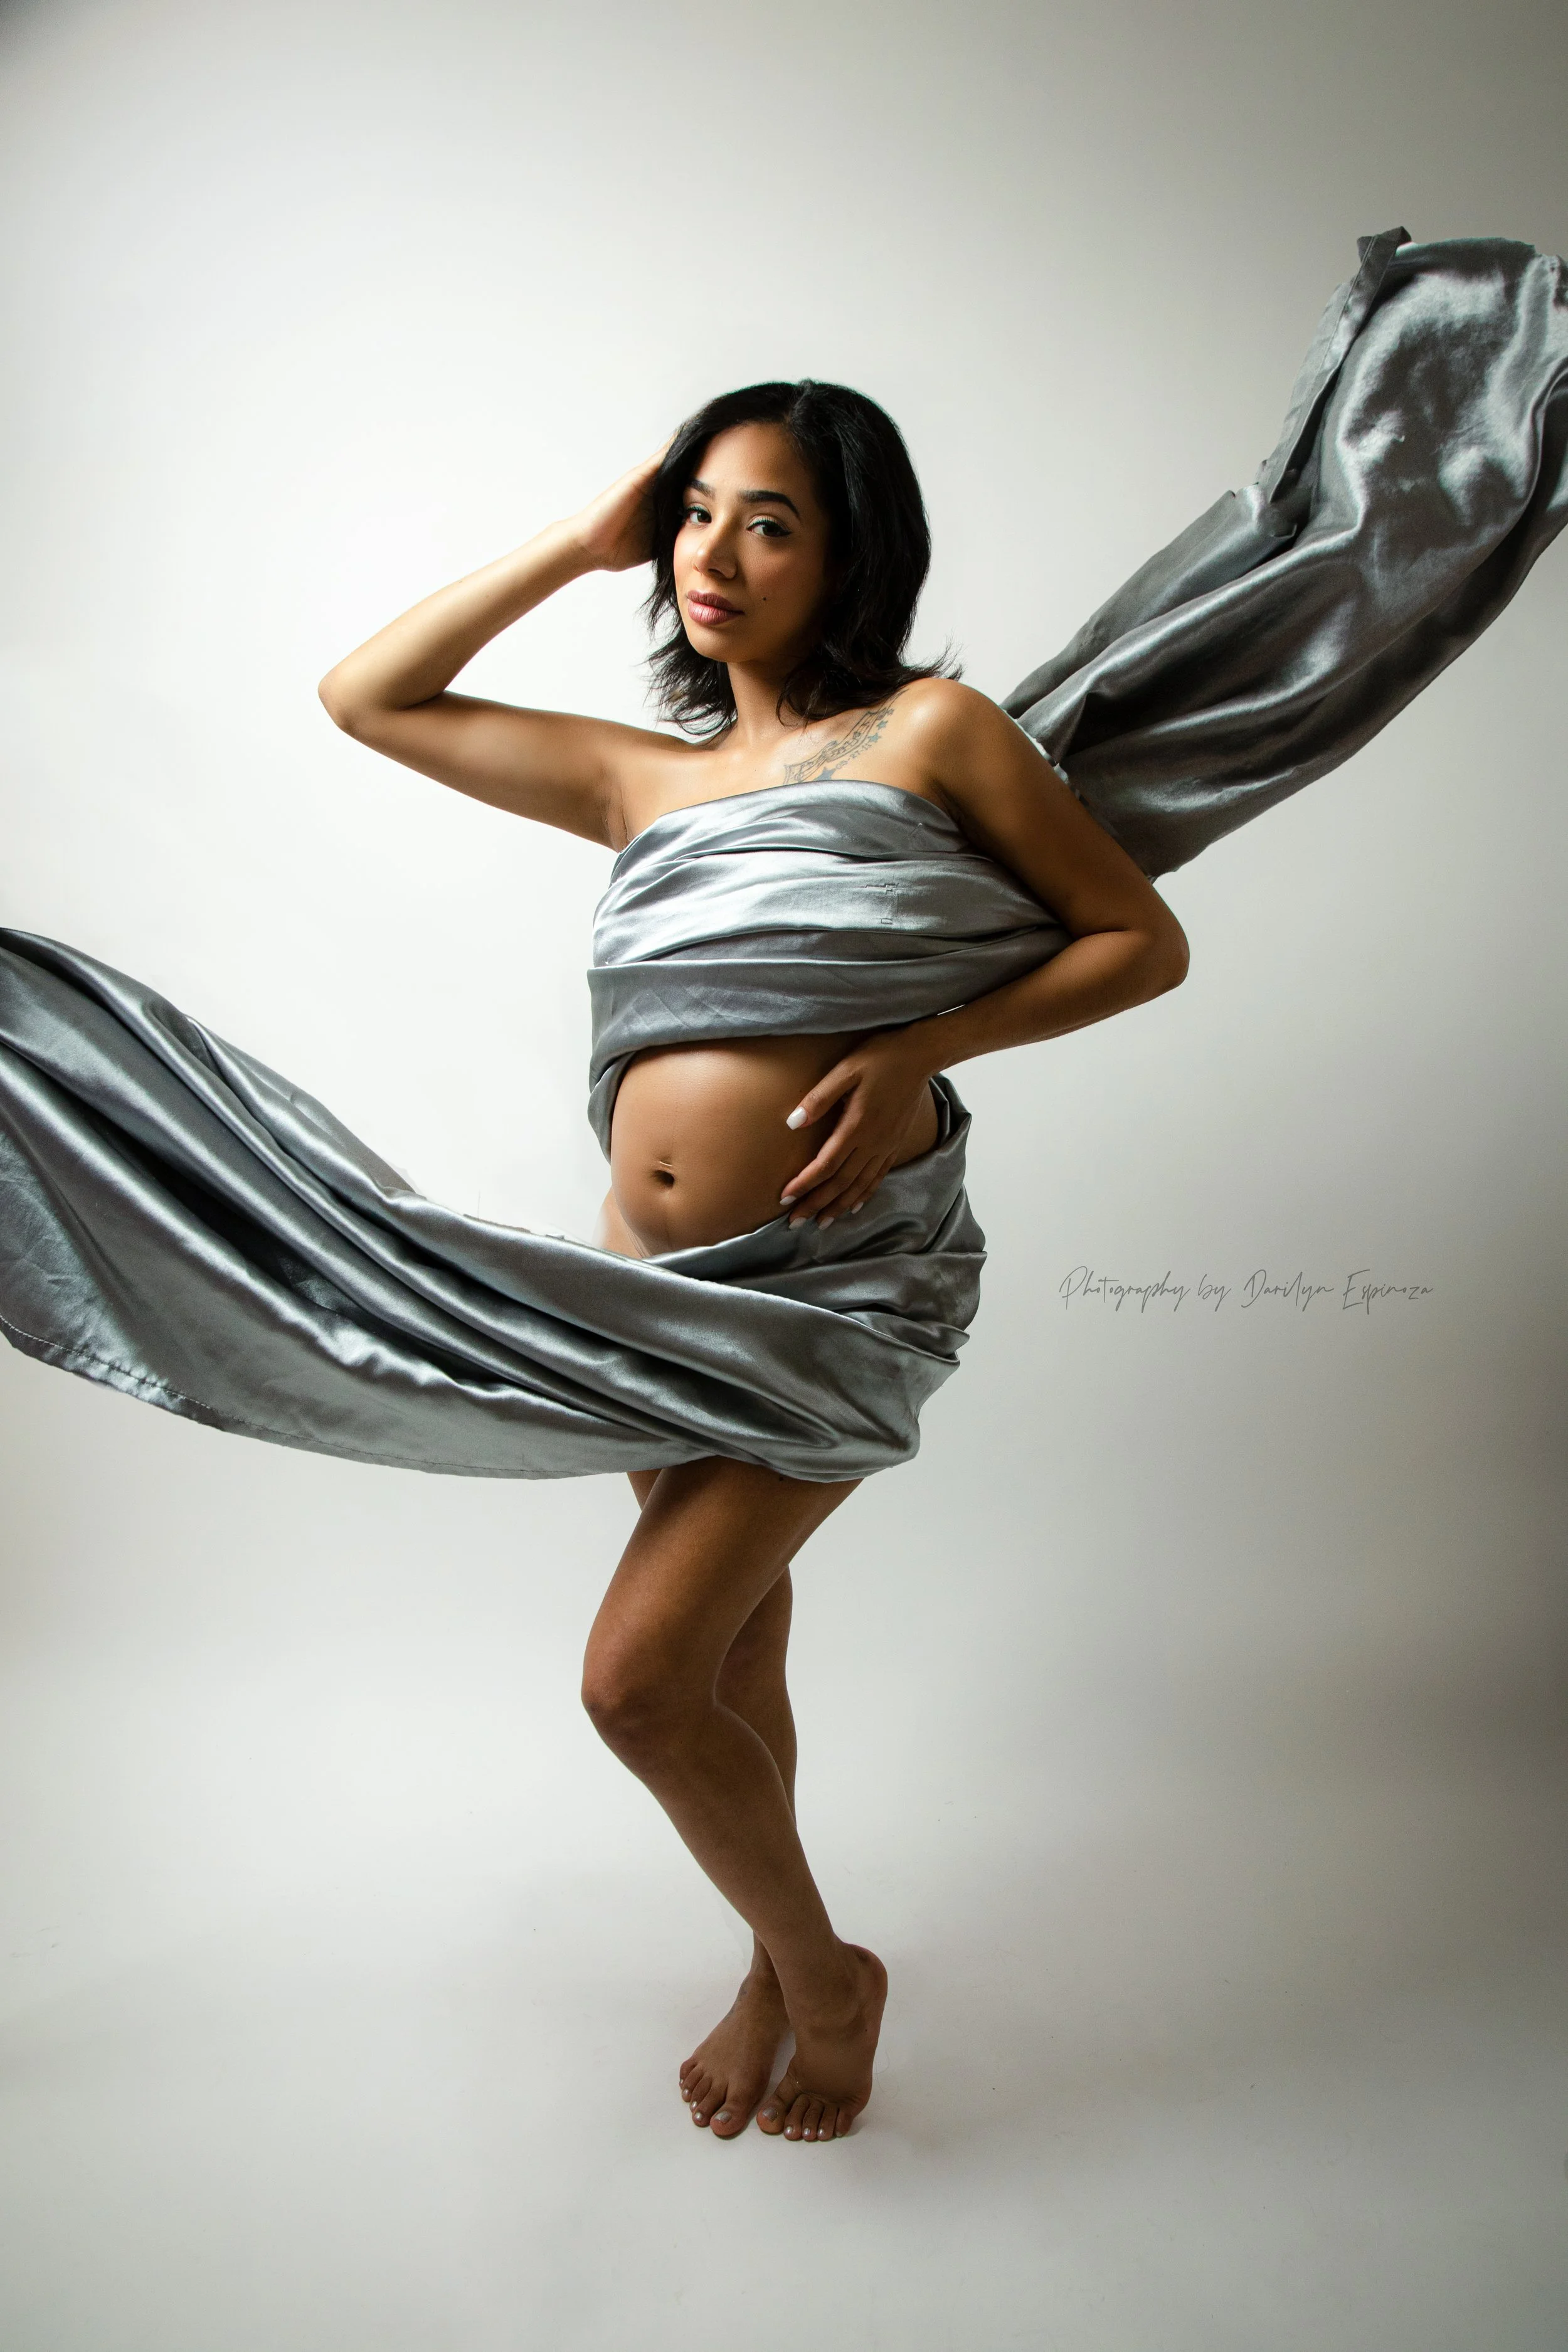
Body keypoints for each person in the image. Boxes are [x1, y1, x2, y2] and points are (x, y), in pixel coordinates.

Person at [315, 381, 1192, 2144]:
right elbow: (368, 695)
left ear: (849, 549)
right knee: (728, 1666)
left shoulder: (932, 734)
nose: (715, 552)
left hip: (837, 1283)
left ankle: (821, 1970)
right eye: (697, 512)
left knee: (635, 1683)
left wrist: (922, 1045)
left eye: (770, 519)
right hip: (646, 1294)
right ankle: (764, 1949)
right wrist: (582, 535)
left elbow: (1138, 939)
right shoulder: (643, 777)